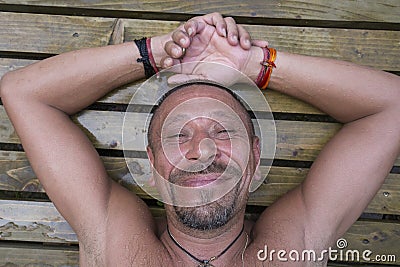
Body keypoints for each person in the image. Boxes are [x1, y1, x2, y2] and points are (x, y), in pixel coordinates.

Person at [0, 12, 399, 266]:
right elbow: (23, 93)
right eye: (177, 135)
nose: (202, 150)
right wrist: (157, 54)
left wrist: (253, 65)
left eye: (223, 131)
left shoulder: (294, 243)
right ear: (153, 164)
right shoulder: (114, 241)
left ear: (255, 159)